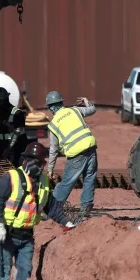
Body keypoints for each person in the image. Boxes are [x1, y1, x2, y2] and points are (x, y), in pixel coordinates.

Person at [0, 142, 76, 280]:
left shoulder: (43, 182)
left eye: (41, 163)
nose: (39, 167)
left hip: (26, 237)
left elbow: (51, 207)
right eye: (37, 162)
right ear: (26, 161)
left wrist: (66, 222)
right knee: (3, 271)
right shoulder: (11, 177)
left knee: (24, 271)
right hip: (6, 234)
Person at [45, 91, 98, 220]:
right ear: (61, 103)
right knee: (89, 178)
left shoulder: (53, 124)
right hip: (90, 147)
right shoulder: (75, 110)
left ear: (51, 108)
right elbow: (92, 109)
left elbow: (53, 150)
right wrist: (86, 101)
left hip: (76, 154)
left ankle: (52, 208)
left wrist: (50, 170)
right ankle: (85, 208)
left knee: (67, 182)